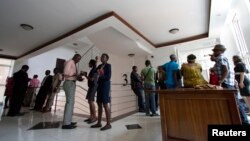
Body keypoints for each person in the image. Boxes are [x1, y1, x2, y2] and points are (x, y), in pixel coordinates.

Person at [212, 44, 249, 125]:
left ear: (220, 51)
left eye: (215, 50)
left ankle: (245, 122)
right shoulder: (219, 58)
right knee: (234, 101)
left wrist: (220, 81)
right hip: (227, 82)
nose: (213, 52)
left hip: (226, 82)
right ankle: (241, 120)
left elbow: (225, 70)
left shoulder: (221, 58)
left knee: (235, 102)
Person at [91, 53, 112, 131]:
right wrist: (95, 63)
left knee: (105, 104)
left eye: (104, 57)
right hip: (99, 86)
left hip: (105, 86)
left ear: (107, 59)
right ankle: (99, 123)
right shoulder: (99, 66)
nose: (102, 58)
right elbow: (94, 72)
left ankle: (108, 124)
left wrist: (100, 76)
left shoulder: (108, 66)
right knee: (99, 103)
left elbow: (108, 77)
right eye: (101, 57)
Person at [61, 54, 82, 129]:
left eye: (79, 59)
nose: (78, 60)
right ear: (74, 57)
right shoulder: (70, 61)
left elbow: (71, 75)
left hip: (71, 83)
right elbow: (65, 73)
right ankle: (66, 123)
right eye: (78, 58)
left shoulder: (73, 63)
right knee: (70, 103)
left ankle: (68, 121)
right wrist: (75, 75)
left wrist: (78, 77)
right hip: (69, 83)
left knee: (71, 103)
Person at [83, 59, 98, 123]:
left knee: (91, 101)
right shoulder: (93, 68)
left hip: (93, 86)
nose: (88, 64)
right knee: (89, 101)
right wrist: (86, 75)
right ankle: (91, 116)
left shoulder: (94, 69)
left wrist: (85, 75)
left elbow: (92, 79)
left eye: (89, 63)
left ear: (91, 63)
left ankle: (94, 117)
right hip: (91, 86)